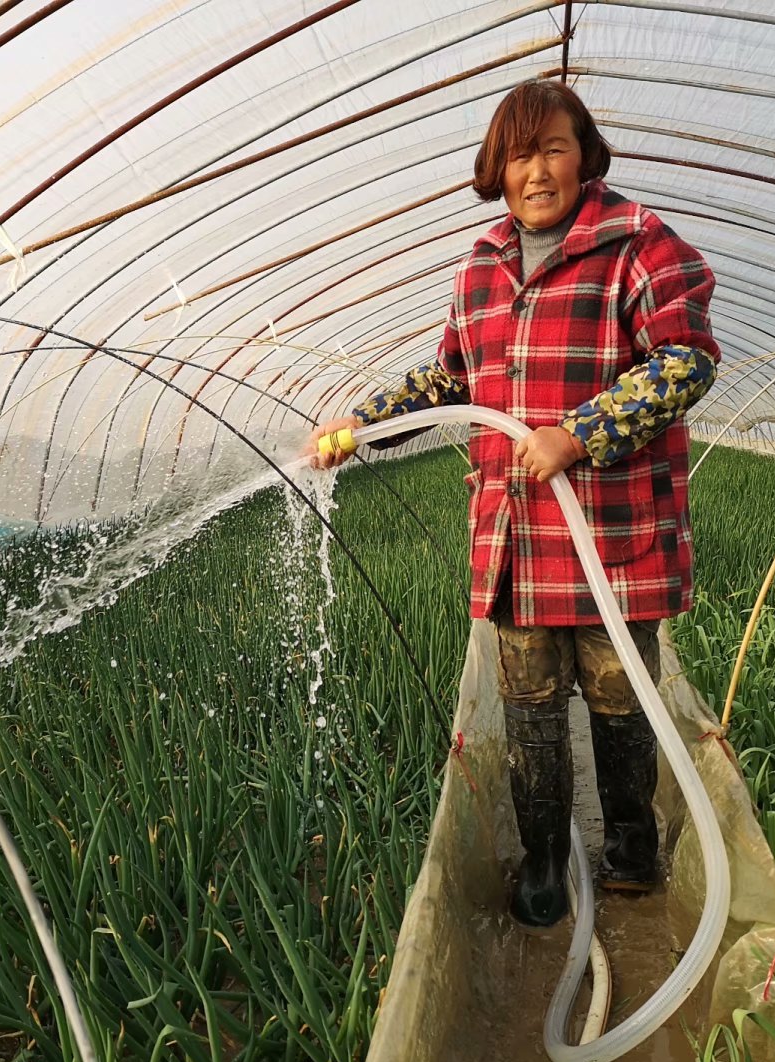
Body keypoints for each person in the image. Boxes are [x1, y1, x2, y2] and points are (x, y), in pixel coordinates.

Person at [307, 80, 719, 928]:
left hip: (612, 533)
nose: (538, 171)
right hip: (518, 537)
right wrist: (365, 423)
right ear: (497, 168)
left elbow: (686, 359)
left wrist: (579, 432)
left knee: (618, 698)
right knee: (530, 708)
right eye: (521, 154)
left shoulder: (637, 243)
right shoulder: (483, 265)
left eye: (555, 149)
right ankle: (544, 862)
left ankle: (632, 853)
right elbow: (451, 380)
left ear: (585, 156)